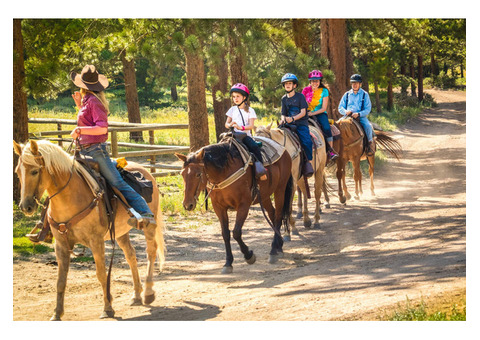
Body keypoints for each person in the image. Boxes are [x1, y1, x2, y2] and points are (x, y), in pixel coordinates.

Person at [69, 65, 155, 228]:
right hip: (85, 150)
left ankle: (145, 213)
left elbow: (102, 128)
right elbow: (90, 121)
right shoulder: (88, 100)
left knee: (117, 183)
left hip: (95, 151)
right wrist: (80, 107)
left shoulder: (94, 101)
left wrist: (80, 129)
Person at [225, 83, 267, 180]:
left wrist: (241, 128)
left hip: (244, 136)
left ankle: (261, 170)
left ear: (244, 97)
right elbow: (226, 124)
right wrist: (230, 125)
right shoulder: (232, 110)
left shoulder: (250, 110)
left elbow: (251, 126)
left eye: (238, 96)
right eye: (234, 97)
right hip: (232, 135)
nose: (235, 99)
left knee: (254, 147)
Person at [279, 73, 314, 177]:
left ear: (295, 85)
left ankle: (308, 162)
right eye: (286, 84)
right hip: (288, 123)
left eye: (290, 83)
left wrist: (293, 118)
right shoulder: (284, 99)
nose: (288, 85)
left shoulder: (300, 97)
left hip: (300, 123)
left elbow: (303, 112)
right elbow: (283, 113)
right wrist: (283, 120)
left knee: (306, 141)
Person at [302, 70, 339, 161]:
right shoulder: (305, 90)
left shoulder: (324, 91)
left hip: (320, 113)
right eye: (313, 81)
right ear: (310, 81)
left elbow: (323, 108)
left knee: (326, 128)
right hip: (306, 113)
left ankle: (330, 151)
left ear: (320, 81)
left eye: (317, 81)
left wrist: (312, 113)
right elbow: (302, 104)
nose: (315, 83)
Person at [338, 74, 375, 156]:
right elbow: (340, 108)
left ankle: (369, 144)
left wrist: (359, 113)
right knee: (337, 125)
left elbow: (368, 109)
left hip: (360, 117)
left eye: (356, 83)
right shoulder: (347, 94)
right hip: (347, 116)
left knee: (368, 126)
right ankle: (335, 147)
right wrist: (346, 111)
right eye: (353, 83)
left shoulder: (365, 94)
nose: (354, 85)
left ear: (360, 84)